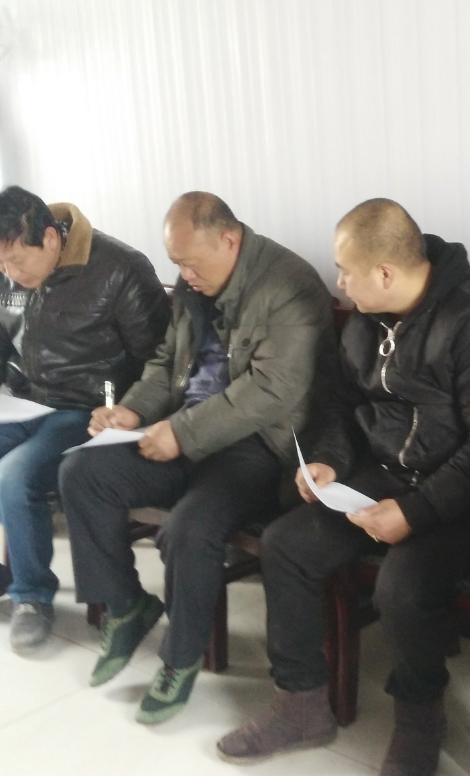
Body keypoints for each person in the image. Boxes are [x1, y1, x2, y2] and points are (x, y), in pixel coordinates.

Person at [215, 199, 470, 776]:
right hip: (387, 473)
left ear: (384, 272)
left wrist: (415, 511)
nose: (338, 283)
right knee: (286, 544)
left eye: (345, 272)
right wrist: (330, 462)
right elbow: (340, 403)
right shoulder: (366, 318)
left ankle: (419, 720)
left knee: (403, 583)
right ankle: (301, 704)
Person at [59, 192, 336, 724]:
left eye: (190, 263)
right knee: (82, 471)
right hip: (183, 428)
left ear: (229, 240)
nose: (183, 276)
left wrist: (181, 435)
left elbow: (271, 391)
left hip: (257, 446)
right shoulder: (194, 285)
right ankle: (126, 606)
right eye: (177, 264)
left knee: (189, 528)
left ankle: (180, 659)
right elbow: (167, 361)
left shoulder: (288, 286)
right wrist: (134, 412)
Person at [0, 185, 169, 653]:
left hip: (87, 412)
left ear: (49, 238)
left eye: (16, 261)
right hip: (21, 403)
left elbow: (160, 359)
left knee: (13, 476)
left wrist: (130, 410)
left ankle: (30, 597)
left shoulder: (119, 268)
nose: (8, 272)